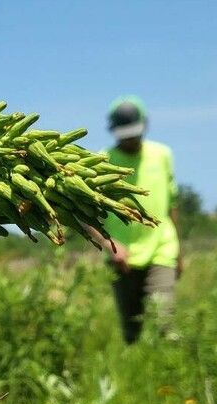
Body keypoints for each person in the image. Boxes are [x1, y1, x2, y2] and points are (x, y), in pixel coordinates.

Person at [90, 95, 182, 344]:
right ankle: (138, 373)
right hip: (123, 256)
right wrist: (110, 245)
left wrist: (179, 251)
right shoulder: (101, 161)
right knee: (132, 329)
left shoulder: (163, 155)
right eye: (124, 135)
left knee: (165, 323)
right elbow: (85, 214)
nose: (130, 139)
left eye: (134, 133)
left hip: (162, 248)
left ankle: (174, 372)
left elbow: (172, 204)